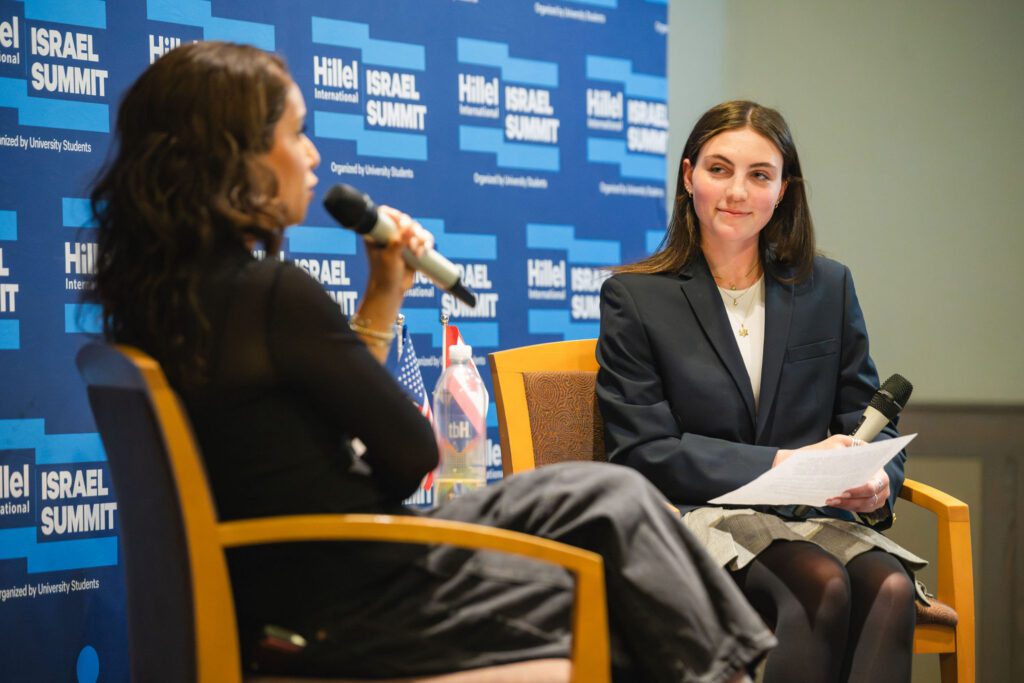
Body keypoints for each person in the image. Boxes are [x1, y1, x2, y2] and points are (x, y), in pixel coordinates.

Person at [88, 42, 775, 683]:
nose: (313, 155)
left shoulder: (162, 301)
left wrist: (384, 293)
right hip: (357, 599)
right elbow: (408, 455)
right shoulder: (271, 293)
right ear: (235, 157)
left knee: (607, 494)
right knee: (621, 586)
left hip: (306, 578)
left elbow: (317, 428)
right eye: (296, 134)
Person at [596, 100, 923, 683]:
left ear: (782, 191)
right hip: (699, 514)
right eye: (719, 169)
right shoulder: (636, 298)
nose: (737, 192)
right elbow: (643, 451)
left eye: (759, 175)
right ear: (688, 176)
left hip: (813, 519)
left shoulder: (828, 286)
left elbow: (868, 418)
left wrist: (878, 482)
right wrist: (782, 462)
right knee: (820, 584)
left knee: (891, 589)